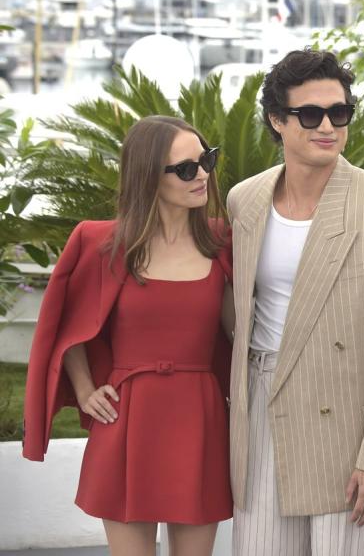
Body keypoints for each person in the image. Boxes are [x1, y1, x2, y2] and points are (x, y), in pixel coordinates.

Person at [227, 49, 364, 555]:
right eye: (310, 115)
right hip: (260, 409)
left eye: (340, 113)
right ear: (277, 119)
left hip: (344, 424)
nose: (328, 126)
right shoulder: (244, 200)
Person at [23, 116, 233, 555]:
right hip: (126, 418)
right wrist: (84, 389)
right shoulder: (101, 242)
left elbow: (242, 330)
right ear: (147, 177)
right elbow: (69, 325)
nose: (203, 176)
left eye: (206, 160)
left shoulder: (223, 240)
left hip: (201, 418)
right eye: (185, 168)